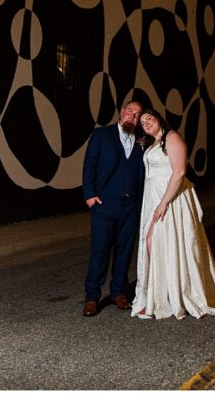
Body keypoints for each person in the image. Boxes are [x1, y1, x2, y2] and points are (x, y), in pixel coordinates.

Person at [131, 109, 215, 320]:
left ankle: (168, 297)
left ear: (159, 118)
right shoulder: (153, 143)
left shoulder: (172, 137)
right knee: (157, 243)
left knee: (157, 241)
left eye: (149, 119)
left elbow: (179, 172)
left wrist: (163, 204)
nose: (147, 124)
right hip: (155, 198)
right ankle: (163, 296)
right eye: (143, 123)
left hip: (171, 199)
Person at [81, 100, 144, 317]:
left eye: (137, 115)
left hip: (131, 207)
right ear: (121, 112)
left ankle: (118, 291)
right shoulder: (101, 135)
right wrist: (89, 195)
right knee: (100, 250)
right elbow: (89, 165)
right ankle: (92, 297)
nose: (132, 117)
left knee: (125, 250)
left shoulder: (142, 141)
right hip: (105, 204)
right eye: (130, 112)